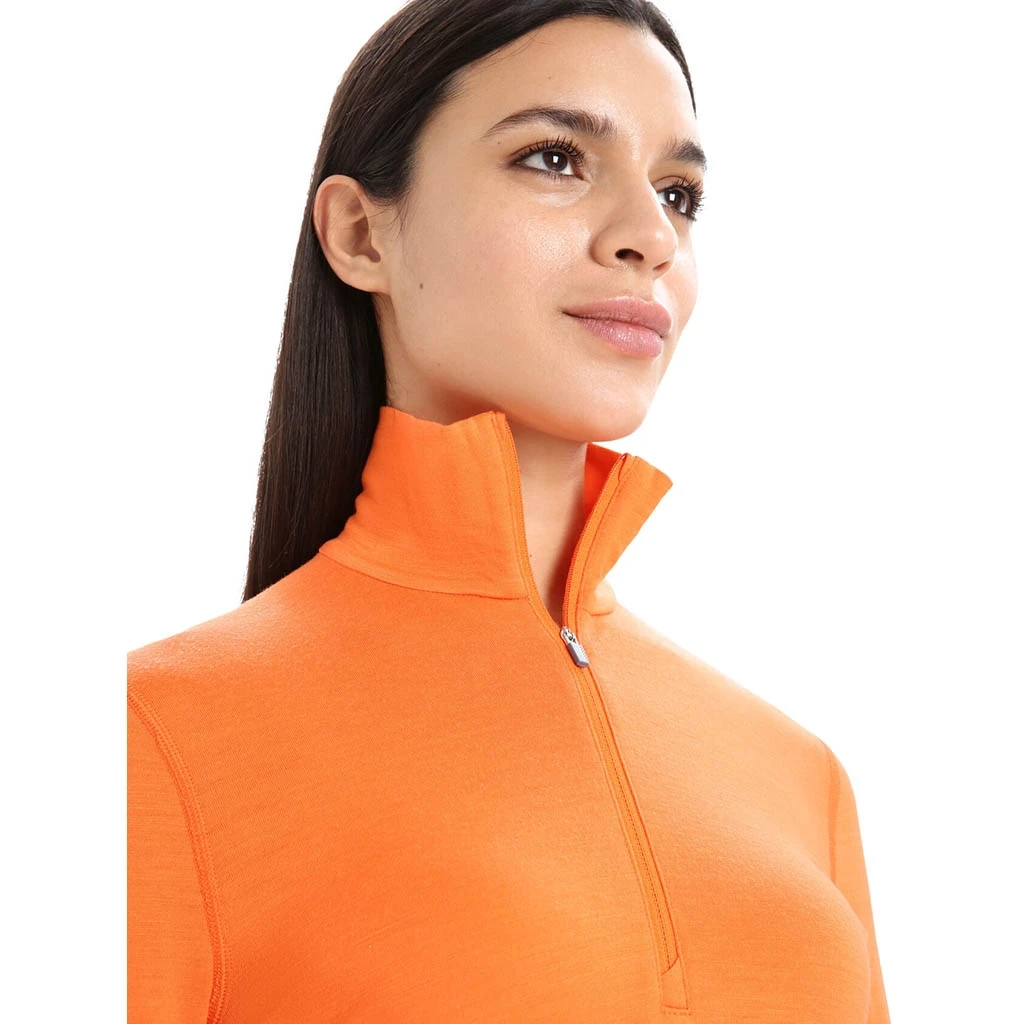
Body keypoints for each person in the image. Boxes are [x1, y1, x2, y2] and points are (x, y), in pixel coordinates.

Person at [127, 1, 891, 1021]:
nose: (649, 238)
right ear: (360, 234)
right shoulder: (151, 740)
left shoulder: (801, 778)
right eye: (554, 159)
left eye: (678, 194)